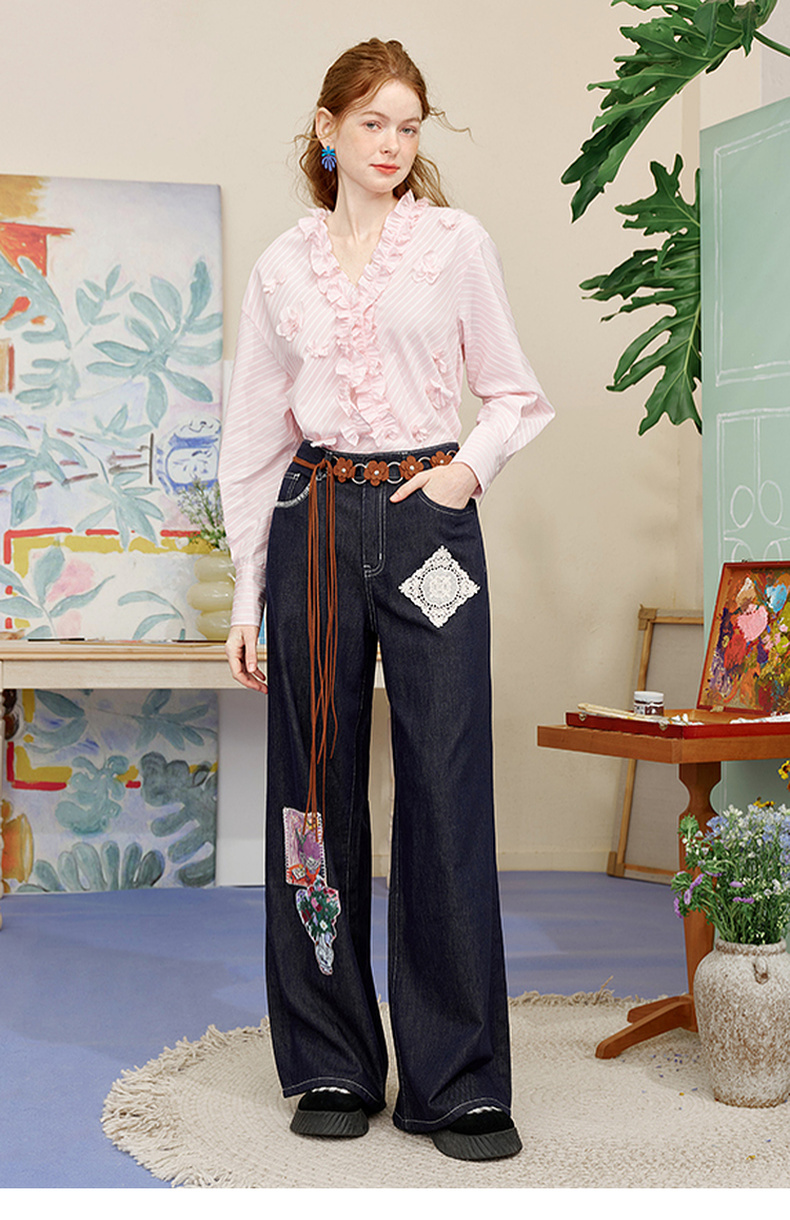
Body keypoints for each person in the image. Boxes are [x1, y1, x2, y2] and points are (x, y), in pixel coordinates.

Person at [218, 37, 554, 1162]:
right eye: (373, 123)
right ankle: (329, 1056)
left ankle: (457, 1076)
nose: (393, 144)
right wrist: (246, 595)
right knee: (311, 794)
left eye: (409, 126)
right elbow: (251, 441)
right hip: (313, 523)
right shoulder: (281, 269)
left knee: (445, 783)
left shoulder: (455, 245)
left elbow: (514, 393)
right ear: (327, 129)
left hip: (424, 525)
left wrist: (464, 474)